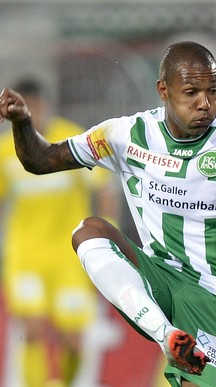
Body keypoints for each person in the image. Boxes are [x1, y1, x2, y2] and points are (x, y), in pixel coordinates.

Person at [0, 41, 216, 387]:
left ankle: (176, 341)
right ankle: (167, 336)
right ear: (163, 90)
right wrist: (23, 124)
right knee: (89, 231)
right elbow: (41, 160)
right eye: (191, 92)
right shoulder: (126, 136)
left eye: (213, 91)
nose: (205, 104)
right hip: (157, 278)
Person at [0, 78, 119, 387]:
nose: (30, 115)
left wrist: (109, 235)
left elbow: (104, 188)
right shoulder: (5, 151)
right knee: (34, 329)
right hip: (25, 255)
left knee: (75, 341)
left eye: (33, 107)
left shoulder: (70, 139)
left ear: (44, 106)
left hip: (69, 260)